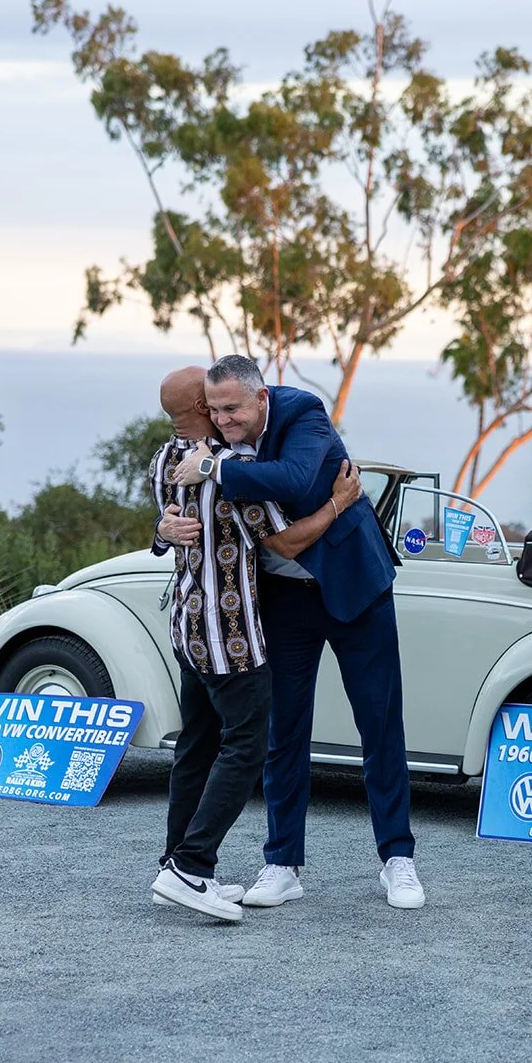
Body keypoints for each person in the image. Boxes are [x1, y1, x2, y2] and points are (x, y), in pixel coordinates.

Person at [168, 355, 424, 910]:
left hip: (356, 587)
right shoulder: (211, 443)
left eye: (233, 408)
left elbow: (295, 477)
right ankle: (282, 864)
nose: (225, 419)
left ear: (262, 397)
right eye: (214, 410)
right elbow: (184, 508)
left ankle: (397, 860)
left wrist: (215, 470)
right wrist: (164, 527)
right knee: (283, 733)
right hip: (281, 600)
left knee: (378, 724)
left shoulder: (302, 411)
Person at [148, 366, 361, 922]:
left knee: (196, 746)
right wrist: (339, 504)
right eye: (216, 404)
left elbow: (164, 525)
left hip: (186, 629)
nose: (225, 413)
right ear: (204, 405)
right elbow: (287, 543)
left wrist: (162, 531)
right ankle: (191, 868)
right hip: (231, 634)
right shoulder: (234, 468)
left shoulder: (163, 460)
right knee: (246, 746)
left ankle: (173, 863)